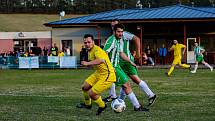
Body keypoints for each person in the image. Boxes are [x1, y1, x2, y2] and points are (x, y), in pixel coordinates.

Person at [104, 19, 156, 107]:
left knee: (130, 80)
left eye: (115, 25)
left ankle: (115, 97)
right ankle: (117, 98)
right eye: (112, 26)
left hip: (125, 61)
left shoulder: (124, 34)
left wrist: (138, 54)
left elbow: (136, 39)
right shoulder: (113, 38)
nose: (113, 27)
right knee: (123, 81)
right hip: (118, 61)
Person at [76, 34, 116, 115]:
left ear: (93, 42)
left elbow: (101, 60)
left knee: (92, 93)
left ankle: (102, 106)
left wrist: (87, 63)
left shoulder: (97, 50)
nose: (87, 44)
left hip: (107, 75)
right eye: (85, 42)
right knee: (84, 87)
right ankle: (88, 105)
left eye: (89, 42)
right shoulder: (90, 50)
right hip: (99, 73)